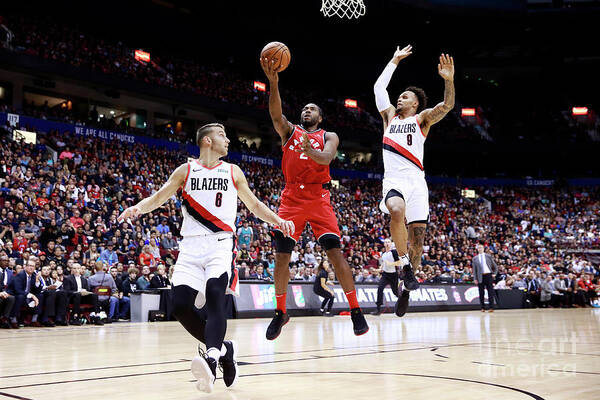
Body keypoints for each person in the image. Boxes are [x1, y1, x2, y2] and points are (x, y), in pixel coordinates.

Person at [118, 122, 294, 393]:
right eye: (222, 135)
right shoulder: (185, 171)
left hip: (220, 244)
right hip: (189, 247)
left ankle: (211, 359)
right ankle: (225, 350)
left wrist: (278, 220)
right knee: (179, 306)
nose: (228, 140)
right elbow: (159, 197)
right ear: (207, 141)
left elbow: (254, 205)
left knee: (214, 293)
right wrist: (137, 209)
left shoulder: (233, 171)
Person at [261, 57, 369, 340]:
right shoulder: (289, 131)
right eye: (304, 109)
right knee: (281, 256)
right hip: (291, 199)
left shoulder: (328, 135)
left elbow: (327, 158)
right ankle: (280, 312)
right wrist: (273, 82)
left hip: (319, 198)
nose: (307, 111)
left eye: (312, 109)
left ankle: (356, 309)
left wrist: (311, 151)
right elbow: (275, 114)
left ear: (319, 118)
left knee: (335, 253)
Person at [373, 45, 455, 318]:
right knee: (396, 210)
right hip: (394, 180)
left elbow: (447, 106)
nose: (400, 98)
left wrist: (449, 81)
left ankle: (406, 289)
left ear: (415, 103)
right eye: (399, 96)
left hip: (417, 182)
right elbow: (378, 88)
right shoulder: (388, 118)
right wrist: (394, 60)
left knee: (417, 241)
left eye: (405, 96)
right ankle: (405, 266)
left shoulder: (422, 119)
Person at [371, 239, 402, 315]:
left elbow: (399, 263)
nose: (387, 243)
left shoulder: (394, 252)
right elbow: (383, 265)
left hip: (393, 275)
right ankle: (378, 309)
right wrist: (377, 270)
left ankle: (402, 304)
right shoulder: (383, 254)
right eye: (386, 242)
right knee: (380, 288)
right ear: (384, 244)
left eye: (388, 242)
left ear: (391, 244)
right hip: (385, 275)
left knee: (395, 292)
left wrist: (391, 264)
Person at [472, 245, 498, 312]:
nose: (480, 249)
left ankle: (491, 307)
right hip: (480, 276)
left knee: (490, 292)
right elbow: (474, 270)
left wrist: (494, 273)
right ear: (477, 249)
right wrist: (475, 278)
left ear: (483, 249)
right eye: (478, 248)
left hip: (488, 275)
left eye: (481, 248)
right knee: (481, 293)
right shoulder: (475, 258)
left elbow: (495, 266)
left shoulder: (488, 256)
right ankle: (482, 307)